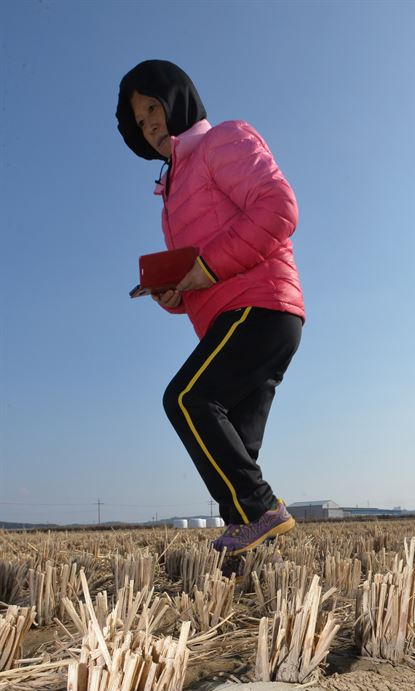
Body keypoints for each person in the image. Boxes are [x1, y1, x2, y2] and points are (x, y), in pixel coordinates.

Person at [116, 60, 305, 554]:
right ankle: (250, 564)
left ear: (177, 99)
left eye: (153, 108)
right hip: (232, 317)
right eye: (139, 121)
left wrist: (207, 269)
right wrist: (174, 295)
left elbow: (278, 207)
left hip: (261, 306)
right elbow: (199, 277)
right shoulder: (171, 192)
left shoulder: (224, 140)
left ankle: (262, 509)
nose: (150, 124)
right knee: (237, 450)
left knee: (187, 399)